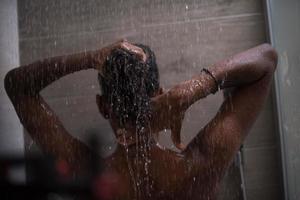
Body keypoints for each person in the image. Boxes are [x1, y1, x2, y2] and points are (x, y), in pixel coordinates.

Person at [4, 40, 278, 200]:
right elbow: (266, 59)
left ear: (103, 106)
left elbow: (17, 85)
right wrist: (194, 88)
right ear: (160, 95)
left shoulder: (85, 173)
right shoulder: (202, 164)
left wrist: (89, 59)